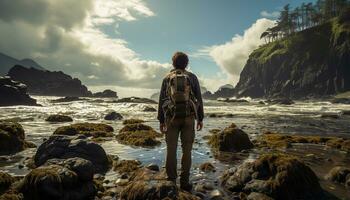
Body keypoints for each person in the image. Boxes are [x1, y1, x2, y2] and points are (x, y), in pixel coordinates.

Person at [157, 51, 204, 191]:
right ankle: (184, 182)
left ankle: (171, 181)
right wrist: (200, 118)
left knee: (171, 150)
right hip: (188, 118)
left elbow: (161, 100)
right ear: (187, 63)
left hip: (171, 118)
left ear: (173, 63)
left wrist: (161, 120)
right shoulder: (192, 77)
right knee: (187, 150)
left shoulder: (167, 78)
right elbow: (199, 99)